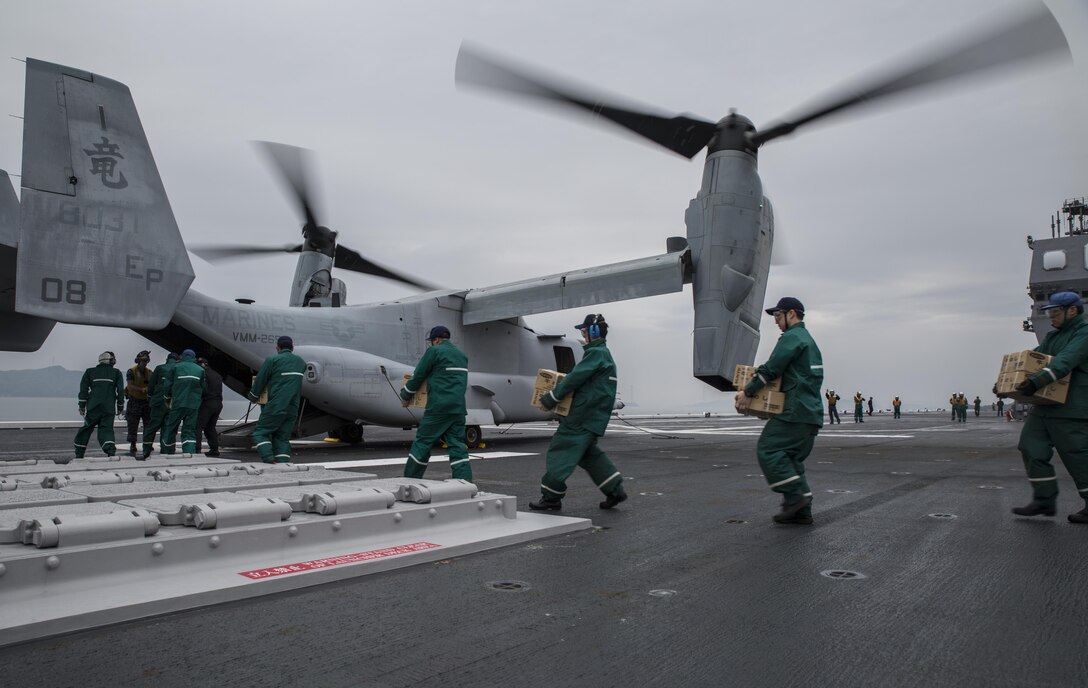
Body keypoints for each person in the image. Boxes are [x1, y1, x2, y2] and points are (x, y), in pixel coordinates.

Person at [735, 297, 823, 525]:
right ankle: (801, 511)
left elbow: (772, 368)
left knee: (769, 448)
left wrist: (748, 391)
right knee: (791, 459)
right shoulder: (808, 340)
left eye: (777, 316)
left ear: (791, 314)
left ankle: (796, 497)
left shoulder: (793, 337)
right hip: (810, 414)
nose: (775, 321)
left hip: (795, 412)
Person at [1004, 292, 1088, 524]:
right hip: (1046, 404)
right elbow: (1034, 361)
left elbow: (1065, 361)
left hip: (1072, 406)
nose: (1051, 317)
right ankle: (1044, 500)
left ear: (1073, 310)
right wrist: (1007, 385)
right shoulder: (1053, 336)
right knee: (1030, 446)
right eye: (1050, 312)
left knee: (1077, 456)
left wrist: (1036, 382)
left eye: (1055, 312)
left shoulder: (1084, 334)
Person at [530, 313, 627, 511]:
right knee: (589, 456)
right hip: (593, 419)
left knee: (560, 451)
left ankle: (551, 497)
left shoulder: (596, 354)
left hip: (580, 419)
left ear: (593, 332)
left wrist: (551, 398)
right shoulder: (605, 355)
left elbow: (575, 378)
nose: (583, 336)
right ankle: (615, 490)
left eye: (584, 332)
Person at [399, 325, 472, 480]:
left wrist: (405, 395)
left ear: (436, 340)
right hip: (458, 409)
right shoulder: (462, 355)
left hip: (438, 407)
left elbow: (418, 375)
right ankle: (465, 481)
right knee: (457, 446)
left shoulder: (434, 351)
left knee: (423, 442)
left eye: (432, 341)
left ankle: (410, 479)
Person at [248, 336, 306, 463]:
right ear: (292, 347)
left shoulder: (272, 360)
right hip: (293, 407)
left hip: (276, 405)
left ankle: (268, 458)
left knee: (260, 432)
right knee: (282, 437)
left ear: (277, 348)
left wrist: (253, 396)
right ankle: (283, 463)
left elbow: (260, 380)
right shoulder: (301, 363)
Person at [70, 351, 124, 462]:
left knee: (87, 428)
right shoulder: (116, 373)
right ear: (110, 360)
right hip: (109, 407)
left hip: (93, 406)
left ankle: (79, 453)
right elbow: (120, 391)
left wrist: (82, 405)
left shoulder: (90, 372)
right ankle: (110, 452)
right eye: (113, 359)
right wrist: (120, 406)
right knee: (107, 429)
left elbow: (83, 390)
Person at [160, 349, 205, 457]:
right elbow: (203, 388)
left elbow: (167, 386)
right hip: (193, 405)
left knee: (171, 428)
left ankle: (167, 451)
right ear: (193, 358)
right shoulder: (200, 370)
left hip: (178, 403)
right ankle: (189, 453)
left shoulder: (175, 367)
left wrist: (167, 399)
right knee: (189, 431)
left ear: (183, 356)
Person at [140, 352, 178, 459]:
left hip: (158, 402)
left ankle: (146, 449)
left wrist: (150, 398)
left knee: (152, 427)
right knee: (168, 428)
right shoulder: (178, 368)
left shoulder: (160, 368)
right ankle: (166, 450)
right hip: (172, 403)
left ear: (167, 359)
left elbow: (151, 385)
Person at [124, 350, 152, 456]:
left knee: (148, 424)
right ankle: (133, 444)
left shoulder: (150, 372)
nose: (145, 363)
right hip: (134, 400)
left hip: (146, 402)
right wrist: (142, 389)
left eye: (146, 361)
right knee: (132, 424)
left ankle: (147, 443)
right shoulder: (131, 371)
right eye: (143, 361)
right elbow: (130, 386)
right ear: (138, 361)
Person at [196, 357, 224, 457]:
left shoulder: (203, 374)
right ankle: (214, 449)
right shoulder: (217, 375)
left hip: (207, 403)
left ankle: (196, 450)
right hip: (218, 404)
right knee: (210, 427)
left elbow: (204, 389)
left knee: (198, 426)